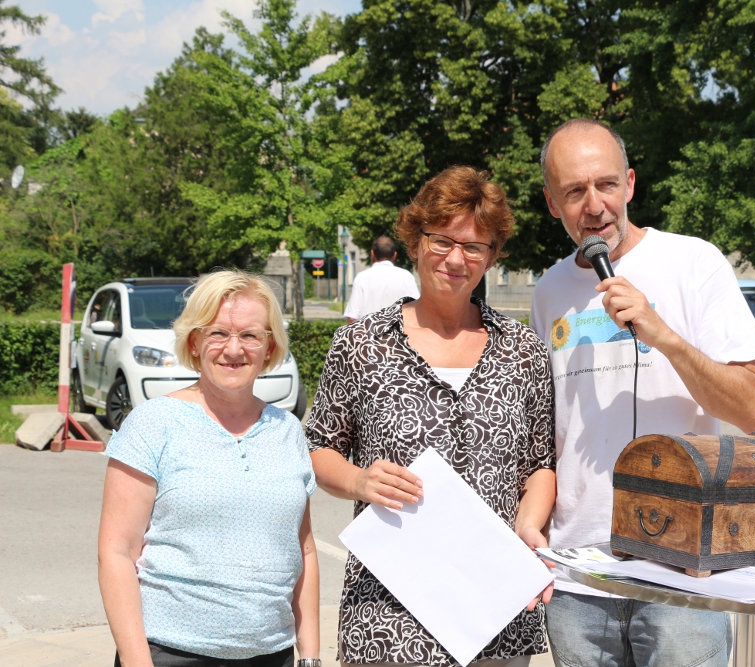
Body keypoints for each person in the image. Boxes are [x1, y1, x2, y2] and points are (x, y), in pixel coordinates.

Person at [529, 119, 755, 667]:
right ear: (552, 203)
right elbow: (549, 433)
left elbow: (753, 410)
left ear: (631, 183)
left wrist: (662, 335)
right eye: (574, 191)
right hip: (577, 576)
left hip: (682, 570)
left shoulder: (694, 263)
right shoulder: (548, 292)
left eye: (606, 185)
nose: (594, 206)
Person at [306, 166, 556, 667]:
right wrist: (358, 480)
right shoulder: (362, 345)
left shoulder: (522, 351)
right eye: (443, 240)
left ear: (491, 257)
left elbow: (540, 465)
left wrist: (530, 525)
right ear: (415, 240)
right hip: (389, 611)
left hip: (493, 607)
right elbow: (317, 448)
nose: (456, 258)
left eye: (475, 247)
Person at [98, 270, 320, 667]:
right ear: (195, 342)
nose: (233, 349)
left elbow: (303, 549)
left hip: (273, 654)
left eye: (250, 335)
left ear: (269, 348)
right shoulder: (154, 423)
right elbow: (116, 552)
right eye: (218, 333)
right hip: (170, 652)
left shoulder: (287, 430)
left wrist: (311, 656)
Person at [343, 235, 421, 322]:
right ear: (394, 255)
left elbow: (352, 317)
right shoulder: (407, 277)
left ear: (372, 254)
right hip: (400, 334)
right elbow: (417, 311)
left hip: (369, 334)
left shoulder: (362, 278)